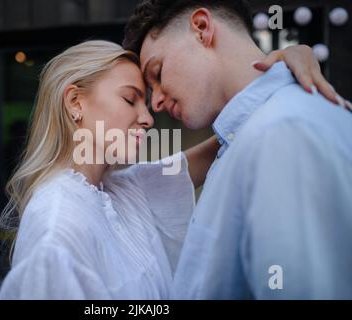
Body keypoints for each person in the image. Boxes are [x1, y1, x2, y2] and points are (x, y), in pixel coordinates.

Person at [123, 0, 352, 299]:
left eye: (158, 72)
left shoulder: (280, 133)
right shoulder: (248, 136)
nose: (156, 104)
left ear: (202, 28)